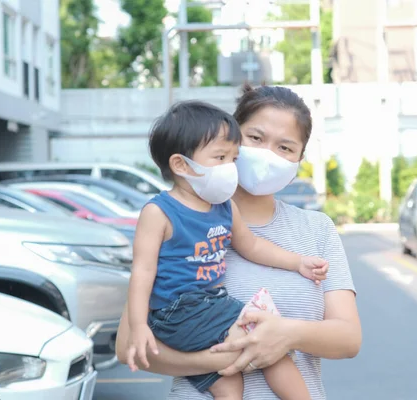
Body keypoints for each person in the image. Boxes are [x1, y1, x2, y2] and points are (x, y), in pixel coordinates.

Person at [116, 85, 361, 400]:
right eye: (255, 139)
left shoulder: (316, 230)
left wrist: (283, 335)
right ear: (230, 136)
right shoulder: (175, 223)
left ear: (300, 158)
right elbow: (128, 348)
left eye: (285, 147)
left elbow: (348, 338)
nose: (268, 155)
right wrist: (219, 360)